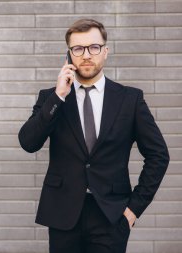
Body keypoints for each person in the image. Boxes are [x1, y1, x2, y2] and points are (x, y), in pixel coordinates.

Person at [18, 19, 169, 253]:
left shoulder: (130, 99)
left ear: (105, 51)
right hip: (63, 214)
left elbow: (159, 155)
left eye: (94, 47)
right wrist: (58, 96)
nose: (86, 55)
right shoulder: (52, 97)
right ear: (68, 55)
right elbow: (28, 143)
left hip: (111, 216)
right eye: (78, 49)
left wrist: (132, 211)